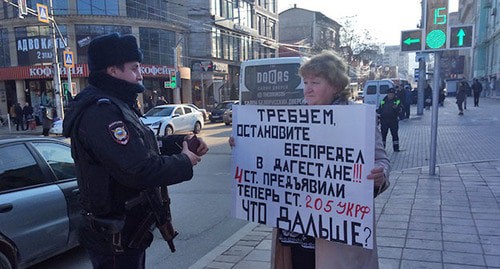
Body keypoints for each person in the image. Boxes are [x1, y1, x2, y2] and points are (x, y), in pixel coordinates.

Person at [230, 51, 390, 269]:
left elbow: (381, 159)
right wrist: (245, 143)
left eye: (315, 82)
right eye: (305, 82)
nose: (308, 88)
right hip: (296, 232)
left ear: (335, 85)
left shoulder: (359, 118)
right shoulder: (291, 117)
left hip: (335, 236)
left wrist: (380, 174)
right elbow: (272, 157)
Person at [62, 33, 209, 269]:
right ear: (113, 70)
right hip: (115, 236)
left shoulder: (117, 103)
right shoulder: (102, 112)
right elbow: (137, 169)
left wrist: (180, 142)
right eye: (135, 68)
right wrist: (184, 161)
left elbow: (140, 145)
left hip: (127, 231)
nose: (141, 74)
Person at [377, 88, 401, 152]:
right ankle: (382, 148)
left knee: (395, 134)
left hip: (393, 120)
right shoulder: (383, 100)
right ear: (387, 94)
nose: (391, 95)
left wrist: (396, 108)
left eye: (392, 94)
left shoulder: (397, 100)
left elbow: (400, 110)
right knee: (383, 135)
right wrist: (378, 116)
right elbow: (380, 109)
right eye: (389, 94)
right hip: (384, 121)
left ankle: (396, 148)